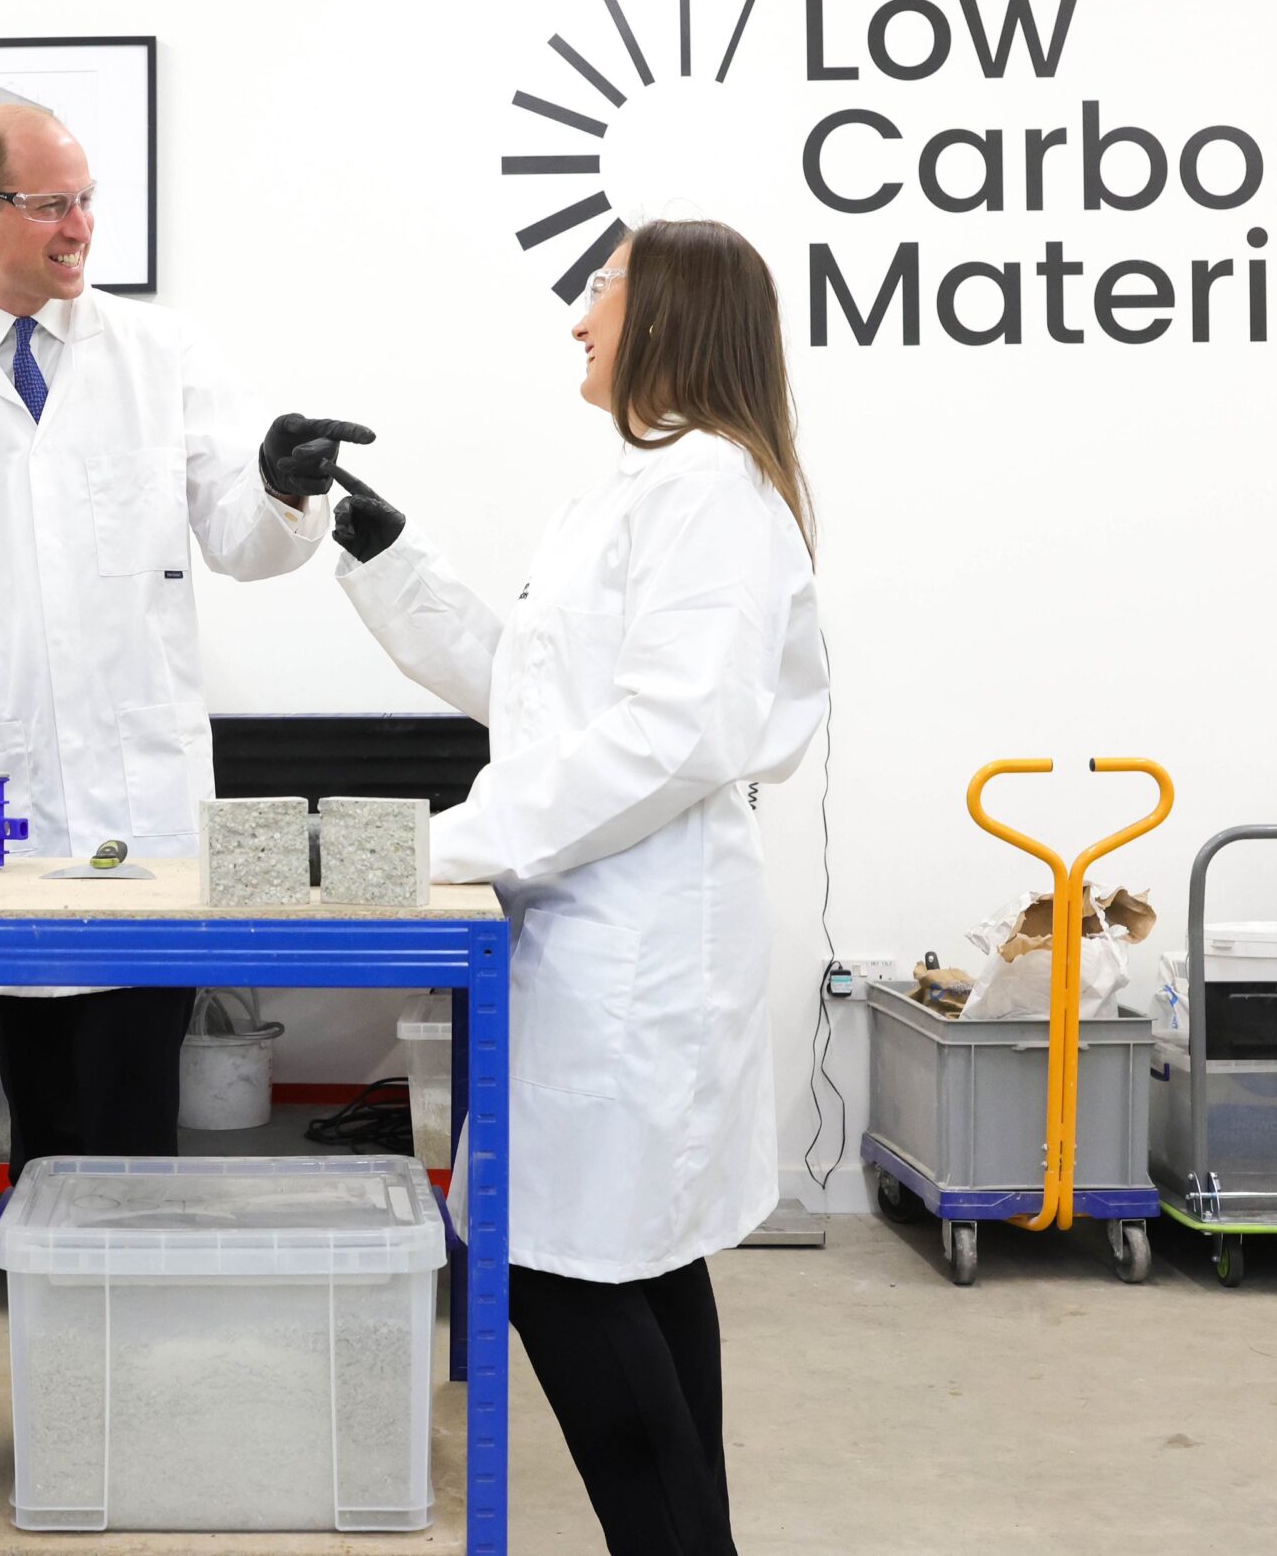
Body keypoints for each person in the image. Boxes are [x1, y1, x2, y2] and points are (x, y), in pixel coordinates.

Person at [328, 220, 827, 1556]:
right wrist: (390, 560)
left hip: (642, 942)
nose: (579, 320)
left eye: (598, 291)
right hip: (592, 929)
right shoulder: (631, 487)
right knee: (634, 1259)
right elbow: (541, 698)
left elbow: (679, 733)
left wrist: (446, 843)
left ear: (666, 311)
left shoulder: (710, 490)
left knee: (560, 1265)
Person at [0, 103, 368, 1177]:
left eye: (87, 200)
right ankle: (62, 1325)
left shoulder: (162, 356)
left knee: (128, 1119)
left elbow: (244, 541)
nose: (79, 226)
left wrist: (285, 486)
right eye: (50, 203)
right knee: (41, 1115)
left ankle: (120, 1328)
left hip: (142, 812)